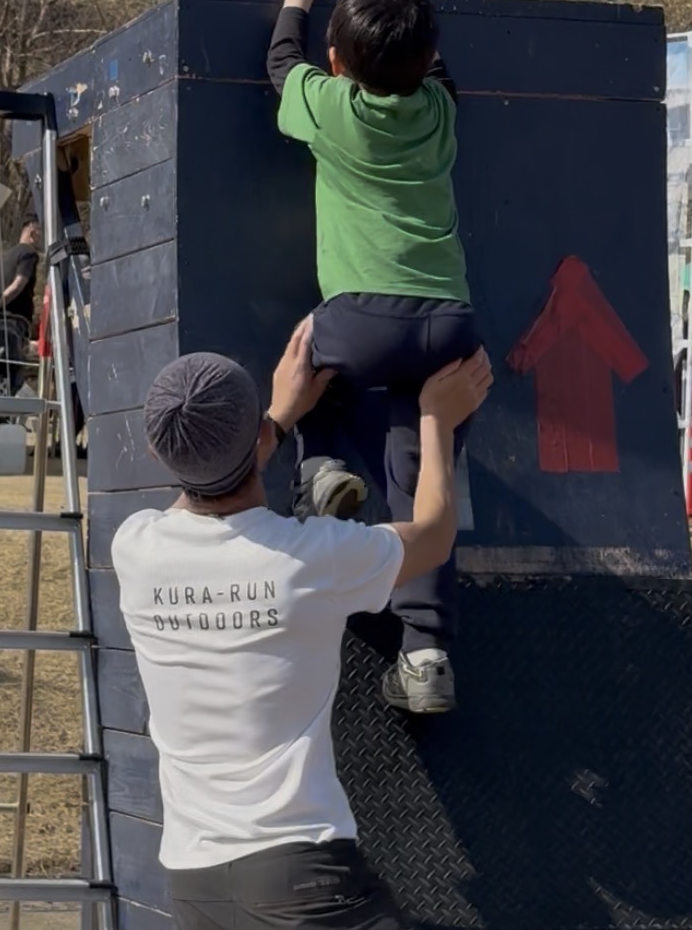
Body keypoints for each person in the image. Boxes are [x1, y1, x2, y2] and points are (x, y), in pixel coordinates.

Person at [112, 318, 491, 930]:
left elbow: (202, 496)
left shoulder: (136, 549)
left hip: (195, 885)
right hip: (302, 882)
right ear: (257, 434)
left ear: (158, 452)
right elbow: (434, 535)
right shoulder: (310, 559)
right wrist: (435, 422)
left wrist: (275, 422)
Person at [266, 0, 477, 714]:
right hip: (448, 324)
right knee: (421, 468)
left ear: (336, 64)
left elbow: (278, 65)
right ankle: (424, 651)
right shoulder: (441, 114)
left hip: (357, 319)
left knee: (306, 361)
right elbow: (435, 70)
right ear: (427, 64)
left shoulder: (327, 108)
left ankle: (319, 466)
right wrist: (414, 5)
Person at [0, 218, 41, 333]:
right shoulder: (29, 254)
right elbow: (18, 284)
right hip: (15, 320)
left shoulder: (5, 256)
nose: (41, 237)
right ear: (32, 232)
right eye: (39, 231)